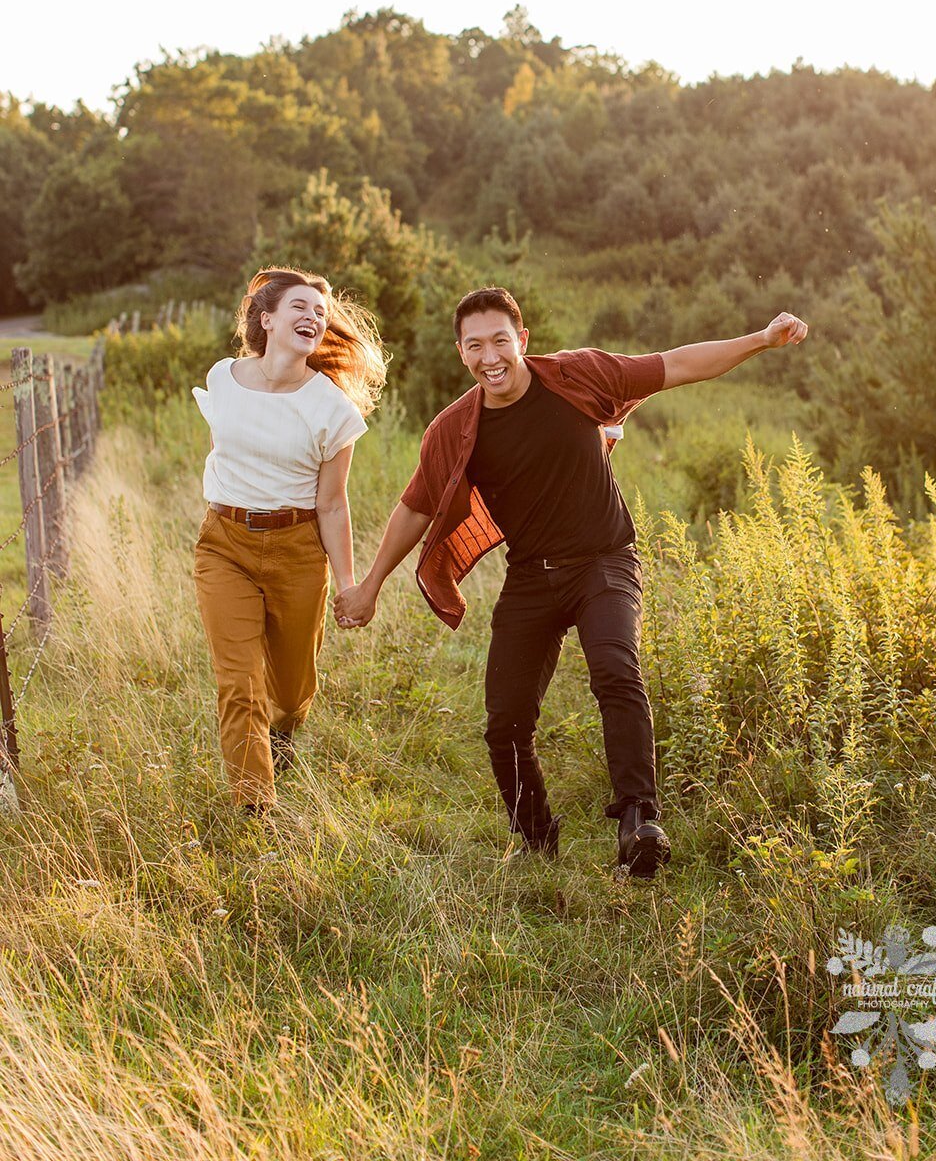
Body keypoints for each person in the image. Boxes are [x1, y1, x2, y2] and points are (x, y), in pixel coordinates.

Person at [332, 287, 807, 876]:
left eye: (500, 341)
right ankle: (536, 843)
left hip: (603, 559)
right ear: (461, 353)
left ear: (522, 341)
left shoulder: (578, 376)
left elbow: (677, 364)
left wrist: (761, 339)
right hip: (532, 576)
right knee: (504, 722)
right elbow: (415, 508)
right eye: (475, 346)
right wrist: (369, 586)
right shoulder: (455, 428)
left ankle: (639, 819)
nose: (490, 358)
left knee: (614, 667)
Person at [192, 266, 386, 814]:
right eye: (300, 307)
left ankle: (286, 728)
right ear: (266, 318)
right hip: (224, 543)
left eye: (321, 314)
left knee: (294, 685)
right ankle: (256, 806)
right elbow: (227, 450)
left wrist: (349, 584)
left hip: (298, 550)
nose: (314, 317)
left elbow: (331, 503)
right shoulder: (224, 378)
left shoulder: (333, 409)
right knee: (238, 681)